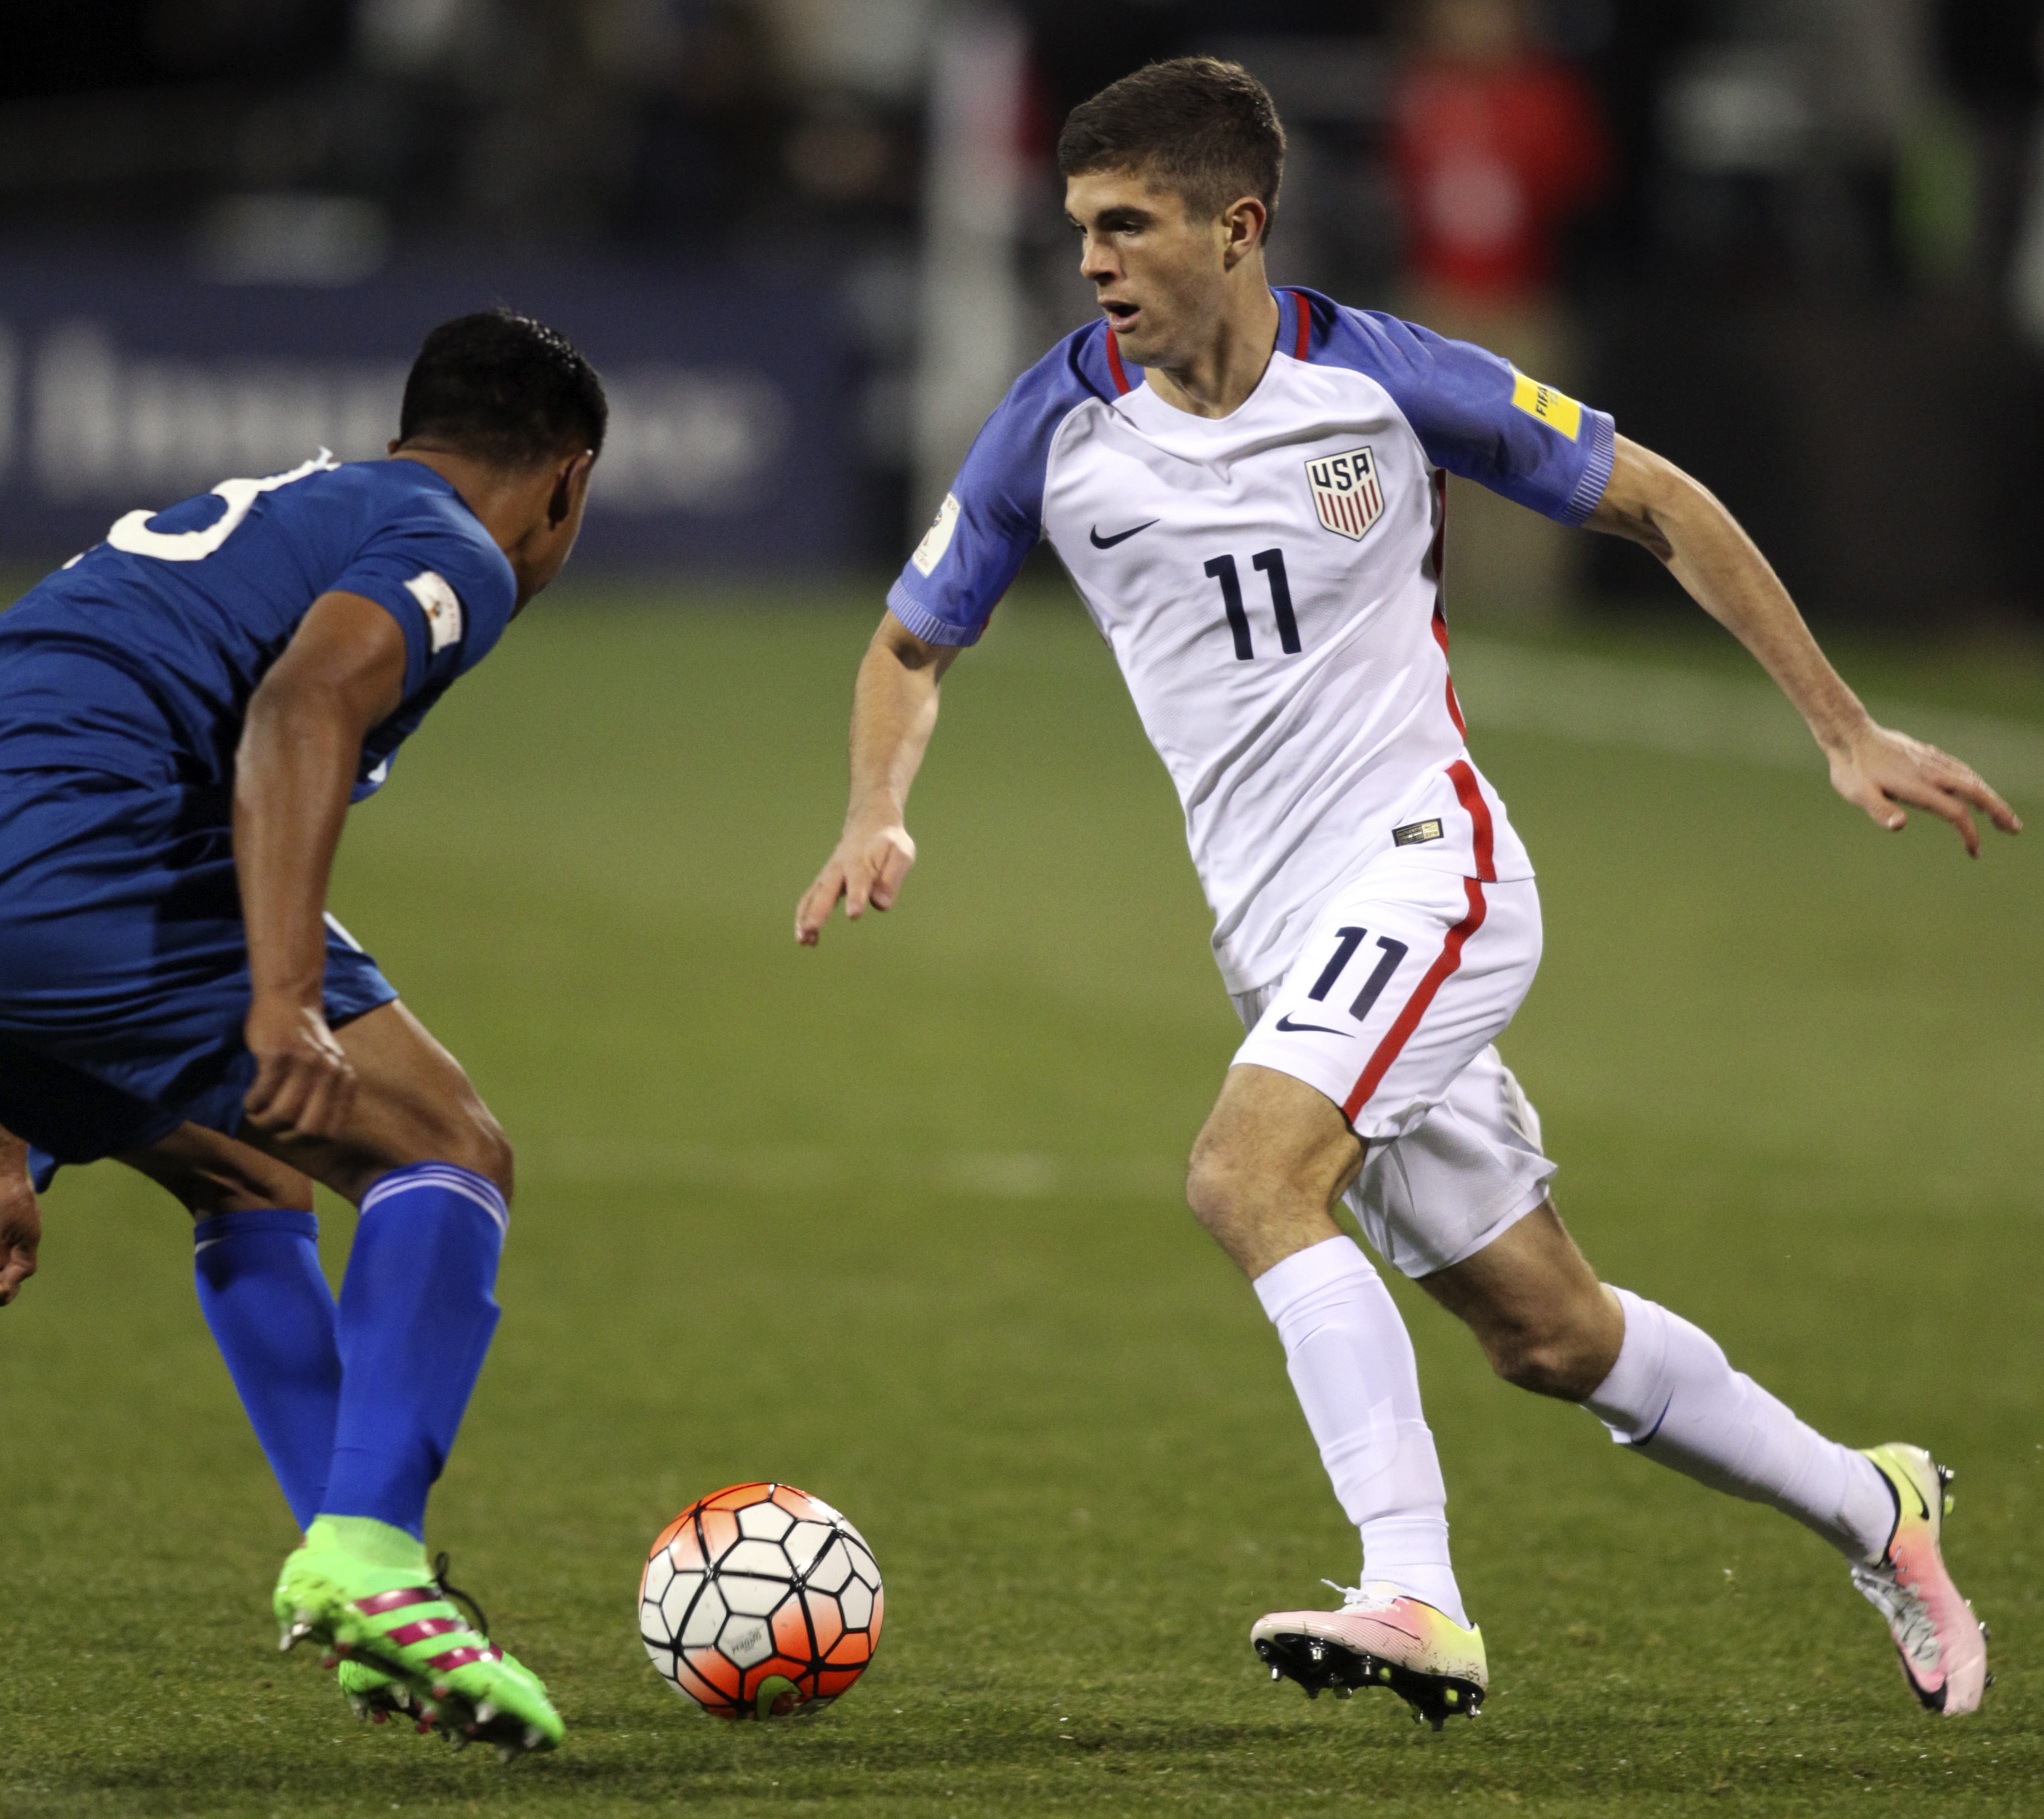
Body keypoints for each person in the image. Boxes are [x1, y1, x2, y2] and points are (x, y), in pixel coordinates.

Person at [795, 58, 2018, 1728]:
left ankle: (1416, 1593)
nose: (1092, 263)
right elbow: (911, 638)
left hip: (1427, 874)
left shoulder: (1384, 382)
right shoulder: (1053, 424)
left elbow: (1658, 500)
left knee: (1245, 1177)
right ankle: (1881, 1509)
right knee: (1549, 1331)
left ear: (1239, 227)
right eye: (1080, 227)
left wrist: (1840, 725)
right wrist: (880, 808)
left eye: (1127, 226)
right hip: (1281, 941)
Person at [0, 309, 604, 1759]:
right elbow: (303, 703)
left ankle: (375, 1575)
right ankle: (371, 1563)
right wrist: (280, 994)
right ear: (567, 485)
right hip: (86, 854)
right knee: (447, 1149)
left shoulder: (313, 504)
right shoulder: (453, 544)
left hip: (43, 848)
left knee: (249, 1174)